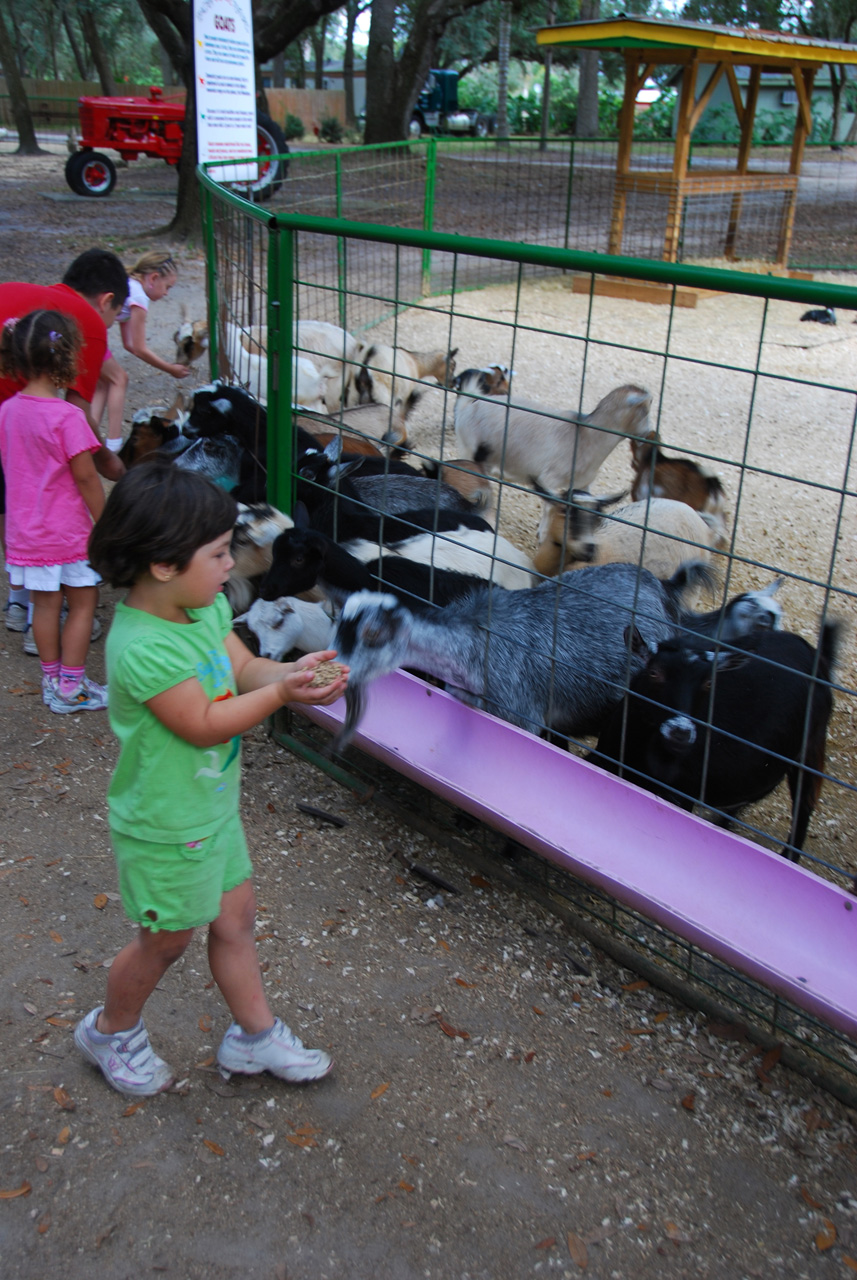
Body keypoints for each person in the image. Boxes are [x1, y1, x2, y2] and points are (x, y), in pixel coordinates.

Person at [75, 461, 348, 1097]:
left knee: (236, 920)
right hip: (166, 825)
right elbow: (203, 723)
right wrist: (283, 696)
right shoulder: (142, 647)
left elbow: (245, 671)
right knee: (165, 941)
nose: (232, 565)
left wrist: (292, 677)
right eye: (221, 553)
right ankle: (110, 1030)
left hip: (211, 809)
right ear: (165, 565)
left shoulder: (201, 611)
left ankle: (254, 1037)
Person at [0, 247, 128, 646]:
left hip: (23, 521)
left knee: (9, 495)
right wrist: (110, 463)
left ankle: (18, 599)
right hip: (63, 535)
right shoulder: (84, 320)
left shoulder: (8, 410)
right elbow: (78, 420)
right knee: (73, 588)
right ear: (107, 301)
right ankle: (65, 668)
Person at [0, 310, 108, 713]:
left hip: (26, 533)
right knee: (83, 603)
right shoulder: (68, 417)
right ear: (66, 358)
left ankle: (52, 682)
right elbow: (86, 479)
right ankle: (71, 687)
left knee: (42, 605)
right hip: (67, 534)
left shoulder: (8, 410)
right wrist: (107, 524)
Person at [90, 250, 189, 452]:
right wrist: (170, 368)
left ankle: (88, 439)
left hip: (89, 330)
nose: (167, 293)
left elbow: (130, 344)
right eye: (167, 287)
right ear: (153, 278)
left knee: (103, 383)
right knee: (120, 379)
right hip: (90, 331)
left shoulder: (129, 287)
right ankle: (113, 446)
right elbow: (140, 348)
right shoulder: (139, 297)